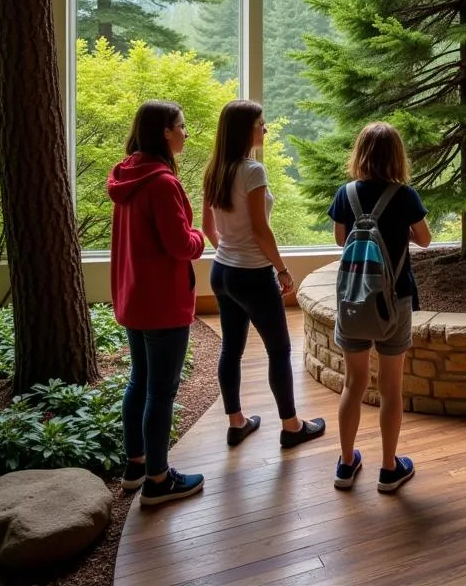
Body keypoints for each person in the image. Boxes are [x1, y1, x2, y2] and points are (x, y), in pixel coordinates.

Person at [202, 100, 326, 448]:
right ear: (245, 129)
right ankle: (291, 427)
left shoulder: (214, 170)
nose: (266, 129)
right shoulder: (252, 170)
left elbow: (208, 228)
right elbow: (260, 229)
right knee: (279, 350)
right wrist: (282, 269)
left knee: (232, 349)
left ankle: (236, 422)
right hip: (252, 276)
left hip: (222, 271)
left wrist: (230, 250)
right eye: (261, 123)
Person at [108, 100, 207, 507]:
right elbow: (181, 244)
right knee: (161, 391)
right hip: (163, 303)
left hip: (135, 298)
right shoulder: (163, 183)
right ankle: (158, 480)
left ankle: (135, 467)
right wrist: (199, 234)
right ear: (165, 132)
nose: (185, 133)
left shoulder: (127, 173)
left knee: (140, 381)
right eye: (181, 126)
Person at [328, 122, 432, 493]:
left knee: (352, 385)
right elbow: (424, 239)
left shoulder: (346, 194)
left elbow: (342, 240)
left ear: (360, 153)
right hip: (395, 298)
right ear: (397, 156)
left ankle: (345, 464)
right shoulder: (405, 196)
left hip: (354, 299)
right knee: (390, 387)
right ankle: (389, 469)